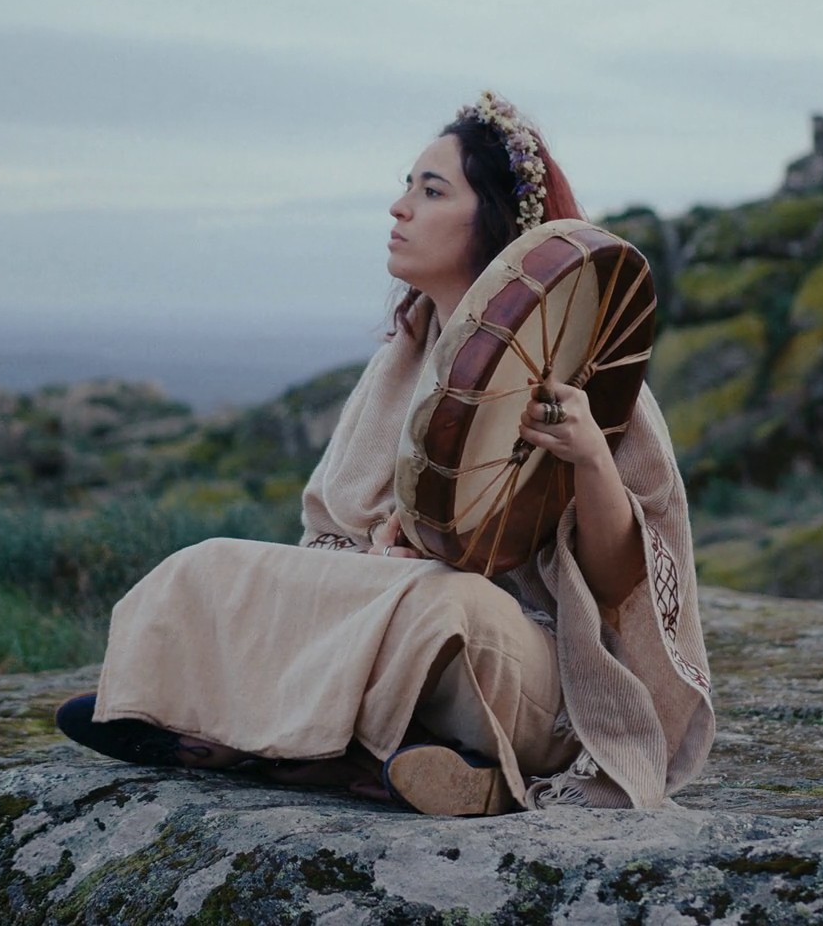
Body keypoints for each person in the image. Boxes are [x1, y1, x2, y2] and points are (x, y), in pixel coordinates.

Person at [56, 91, 713, 815]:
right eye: (407, 187)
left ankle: (304, 746)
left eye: (431, 192)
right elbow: (328, 539)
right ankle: (390, 759)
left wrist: (588, 455)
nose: (399, 208)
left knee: (446, 606)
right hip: (394, 621)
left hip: (532, 672)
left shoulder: (582, 370)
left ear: (495, 221)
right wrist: (378, 558)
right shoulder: (397, 367)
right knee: (204, 567)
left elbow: (622, 584)